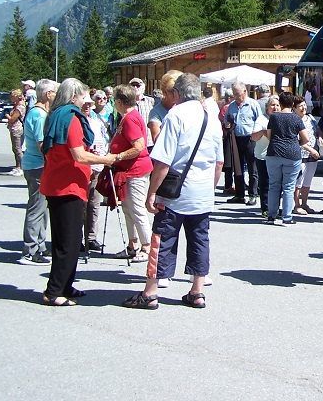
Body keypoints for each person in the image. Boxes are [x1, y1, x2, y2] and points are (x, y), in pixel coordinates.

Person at [123, 73, 225, 310]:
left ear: (176, 94)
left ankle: (150, 292)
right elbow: (219, 163)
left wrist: (152, 192)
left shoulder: (176, 115)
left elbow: (163, 161)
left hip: (175, 192)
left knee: (163, 238)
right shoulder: (212, 117)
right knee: (200, 240)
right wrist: (209, 188)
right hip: (202, 192)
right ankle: (197, 291)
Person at [39, 78, 117, 306]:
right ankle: (54, 291)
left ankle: (65, 286)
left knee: (69, 240)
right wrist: (105, 159)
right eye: (84, 96)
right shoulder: (70, 117)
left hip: (61, 183)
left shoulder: (57, 114)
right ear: (74, 96)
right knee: (68, 242)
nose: (88, 100)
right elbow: (78, 155)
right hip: (66, 186)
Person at [109, 84, 154, 263]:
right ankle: (132, 244)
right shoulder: (128, 117)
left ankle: (147, 246)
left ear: (119, 102)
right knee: (128, 209)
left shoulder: (129, 119)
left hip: (135, 170)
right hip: (129, 171)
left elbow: (139, 146)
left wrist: (117, 156)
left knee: (137, 209)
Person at [20, 79, 58, 265]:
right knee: (36, 207)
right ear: (47, 94)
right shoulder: (39, 115)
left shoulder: (40, 113)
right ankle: (30, 249)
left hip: (38, 165)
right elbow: (42, 144)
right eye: (54, 92)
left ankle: (40, 245)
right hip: (37, 166)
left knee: (42, 208)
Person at [265, 92, 308, 224]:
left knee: (273, 185)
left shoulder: (274, 117)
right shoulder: (296, 119)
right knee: (289, 186)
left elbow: (269, 135)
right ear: (293, 104)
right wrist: (296, 144)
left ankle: (271, 214)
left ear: (281, 103)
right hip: (292, 154)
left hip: (274, 152)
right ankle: (287, 217)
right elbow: (305, 138)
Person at [225, 83, 261, 205]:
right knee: (238, 168)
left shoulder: (253, 104)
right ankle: (239, 195)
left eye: (237, 94)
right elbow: (226, 119)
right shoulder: (232, 106)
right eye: (234, 94)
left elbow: (259, 120)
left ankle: (253, 194)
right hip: (236, 138)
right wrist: (227, 125)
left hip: (250, 138)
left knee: (252, 167)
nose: (235, 97)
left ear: (245, 92)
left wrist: (254, 134)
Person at [83, 96, 109, 253]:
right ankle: (77, 238)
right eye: (85, 103)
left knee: (94, 204)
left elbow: (102, 143)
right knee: (81, 205)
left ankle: (91, 238)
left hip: (97, 167)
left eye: (89, 104)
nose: (87, 106)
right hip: (83, 167)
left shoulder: (95, 122)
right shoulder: (76, 122)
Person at [251, 95, 280, 217]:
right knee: (265, 182)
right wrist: (263, 132)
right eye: (272, 105)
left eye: (277, 105)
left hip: (278, 156)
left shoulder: (281, 119)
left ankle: (275, 208)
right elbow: (253, 137)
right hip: (263, 156)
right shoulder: (261, 119)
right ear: (267, 107)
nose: (275, 107)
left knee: (277, 183)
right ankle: (266, 208)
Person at [293, 97, 321, 214]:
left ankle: (304, 203)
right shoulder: (294, 120)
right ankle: (297, 205)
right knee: (298, 182)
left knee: (307, 182)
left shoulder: (310, 118)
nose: (303, 108)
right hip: (300, 154)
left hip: (312, 155)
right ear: (294, 108)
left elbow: (317, 130)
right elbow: (297, 140)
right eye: (300, 106)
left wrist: (320, 137)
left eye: (304, 105)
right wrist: (310, 149)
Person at [148, 70, 183, 144]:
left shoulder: (185, 108)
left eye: (179, 90)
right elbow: (157, 142)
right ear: (164, 92)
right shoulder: (155, 113)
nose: (176, 94)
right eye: (171, 91)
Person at [128, 77, 155, 146]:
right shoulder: (126, 103)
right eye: (133, 86)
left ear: (143, 88)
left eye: (138, 85)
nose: (135, 87)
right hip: (133, 143)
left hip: (149, 142)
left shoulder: (151, 101)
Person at [6, 89, 26, 176]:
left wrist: (6, 115)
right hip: (13, 129)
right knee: (15, 149)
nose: (11, 98)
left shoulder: (20, 107)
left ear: (17, 97)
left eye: (12, 97)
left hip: (17, 129)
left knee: (18, 149)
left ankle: (22, 168)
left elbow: (12, 119)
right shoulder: (16, 105)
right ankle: (17, 166)